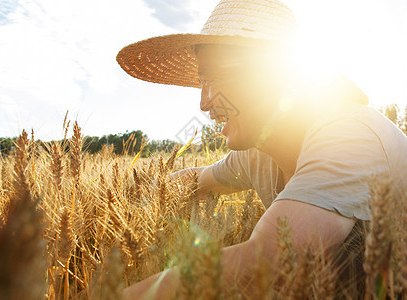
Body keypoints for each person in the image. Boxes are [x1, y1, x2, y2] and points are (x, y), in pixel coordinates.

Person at [116, 0, 407, 298]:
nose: (203, 103)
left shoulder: (350, 135)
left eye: (215, 78)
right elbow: (196, 180)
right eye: (202, 81)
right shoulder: (258, 151)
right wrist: (135, 193)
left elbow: (268, 265)